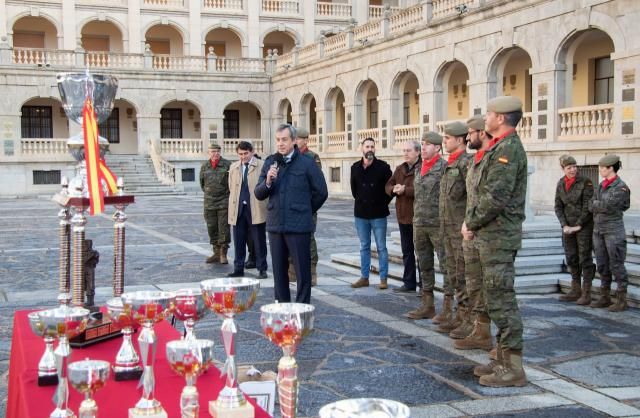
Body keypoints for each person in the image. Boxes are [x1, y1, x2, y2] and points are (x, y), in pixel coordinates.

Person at [463, 96, 527, 387]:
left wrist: (472, 222)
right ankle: (502, 360)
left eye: (489, 113)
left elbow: (495, 196)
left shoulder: (508, 150)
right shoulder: (499, 148)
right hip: (492, 237)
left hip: (499, 237)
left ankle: (513, 367)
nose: (486, 117)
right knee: (494, 298)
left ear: (500, 118)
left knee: (502, 301)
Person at [255, 124, 328, 304]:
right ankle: (283, 309)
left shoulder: (307, 163)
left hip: (299, 227)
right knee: (279, 273)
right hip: (276, 226)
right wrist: (268, 182)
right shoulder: (270, 162)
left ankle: (302, 309)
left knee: (303, 272)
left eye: (284, 140)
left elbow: (321, 192)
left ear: (294, 141)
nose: (280, 144)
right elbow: (258, 193)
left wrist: (305, 210)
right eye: (278, 140)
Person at [454, 115, 494, 352]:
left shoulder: (494, 158)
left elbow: (493, 198)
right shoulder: (477, 160)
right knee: (473, 283)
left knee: (491, 288)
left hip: (486, 232)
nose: (468, 137)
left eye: (471, 132)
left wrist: (471, 223)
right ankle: (479, 329)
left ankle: (489, 336)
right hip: (472, 230)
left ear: (481, 132)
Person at [406, 131, 447, 319]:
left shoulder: (444, 168)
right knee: (424, 265)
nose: (423, 147)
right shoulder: (419, 168)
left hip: (438, 225)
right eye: (422, 144)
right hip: (420, 223)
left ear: (438, 147)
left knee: (447, 266)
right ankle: (427, 304)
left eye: (428, 144)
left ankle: (449, 307)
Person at [437, 121, 473, 338]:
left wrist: (468, 223)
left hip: (460, 230)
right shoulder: (449, 163)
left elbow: (472, 196)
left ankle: (468, 319)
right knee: (452, 274)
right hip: (447, 229)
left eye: (447, 138)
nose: (444, 142)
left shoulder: (466, 163)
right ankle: (458, 315)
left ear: (460, 140)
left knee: (463, 275)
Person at [350, 137, 393, 290]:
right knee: (364, 246)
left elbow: (390, 189)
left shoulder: (383, 167)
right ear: (362, 148)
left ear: (375, 149)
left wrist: (382, 203)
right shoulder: (355, 167)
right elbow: (354, 191)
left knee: (381, 247)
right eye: (367, 146)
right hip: (361, 214)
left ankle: (383, 279)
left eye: (372, 147)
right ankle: (364, 277)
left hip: (379, 213)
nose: (370, 149)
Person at [589, 154, 631, 312]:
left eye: (602, 168)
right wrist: (598, 204)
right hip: (598, 229)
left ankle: (621, 299)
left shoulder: (620, 187)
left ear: (611, 168)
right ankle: (604, 296)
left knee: (616, 264)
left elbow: (610, 206)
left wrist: (597, 204)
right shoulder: (601, 185)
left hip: (613, 230)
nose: (600, 170)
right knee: (602, 264)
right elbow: (590, 204)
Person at [554, 154, 595, 305]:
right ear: (563, 169)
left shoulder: (586, 182)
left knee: (585, 258)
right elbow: (558, 206)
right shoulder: (561, 183)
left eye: (574, 167)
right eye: (569, 167)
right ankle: (575, 288)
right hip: (567, 228)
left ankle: (586, 292)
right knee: (571, 257)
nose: (572, 170)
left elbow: (587, 206)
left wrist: (578, 225)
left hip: (583, 226)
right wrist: (564, 225)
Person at [227, 141, 268, 279]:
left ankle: (262, 269)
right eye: (240, 154)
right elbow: (231, 187)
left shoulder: (262, 165)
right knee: (238, 241)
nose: (243, 156)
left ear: (252, 152)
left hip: (255, 208)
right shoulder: (233, 167)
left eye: (246, 153)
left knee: (259, 240)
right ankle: (238, 268)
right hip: (238, 209)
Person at [288, 128, 323, 286]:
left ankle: (311, 271)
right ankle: (292, 271)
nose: (295, 141)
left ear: (305, 140)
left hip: (306, 206)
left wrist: (311, 206)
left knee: (308, 238)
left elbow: (317, 185)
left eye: (297, 139)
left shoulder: (312, 157)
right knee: (289, 237)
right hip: (290, 206)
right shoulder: (289, 156)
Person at [385, 140, 421, 293]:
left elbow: (423, 189)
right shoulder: (400, 169)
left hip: (418, 217)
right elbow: (387, 186)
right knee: (407, 251)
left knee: (421, 253)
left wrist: (406, 190)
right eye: (404, 150)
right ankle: (409, 282)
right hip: (403, 216)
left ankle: (425, 286)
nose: (405, 153)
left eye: (409, 150)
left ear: (417, 152)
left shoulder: (423, 168)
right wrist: (394, 188)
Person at [200, 143, 231, 264]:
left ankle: (223, 253)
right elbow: (202, 184)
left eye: (217, 151)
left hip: (223, 202)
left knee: (223, 228)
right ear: (209, 152)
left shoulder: (227, 165)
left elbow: (231, 182)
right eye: (213, 151)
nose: (215, 153)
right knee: (211, 227)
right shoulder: (204, 166)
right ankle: (216, 253)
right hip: (209, 202)